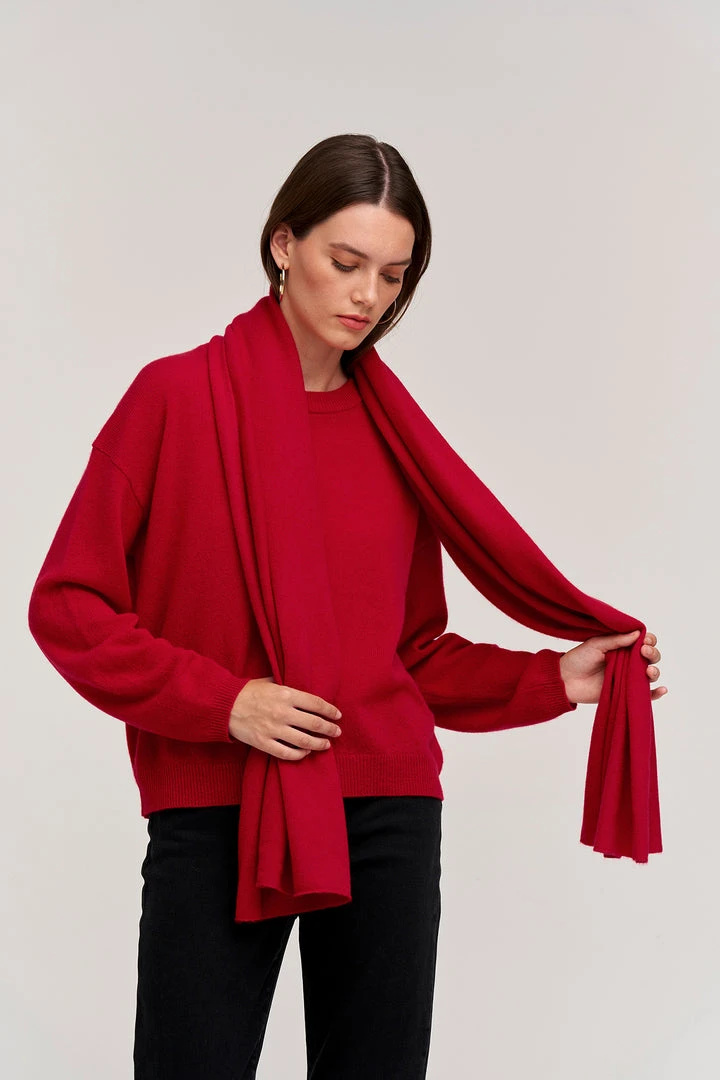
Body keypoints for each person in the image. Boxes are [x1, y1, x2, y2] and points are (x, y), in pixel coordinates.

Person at [27, 133, 667, 1080]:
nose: (369, 296)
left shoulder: (393, 434)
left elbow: (410, 652)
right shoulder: (173, 399)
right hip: (217, 804)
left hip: (387, 810)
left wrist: (553, 678)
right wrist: (225, 703)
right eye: (347, 262)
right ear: (284, 244)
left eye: (394, 276)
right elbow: (68, 605)